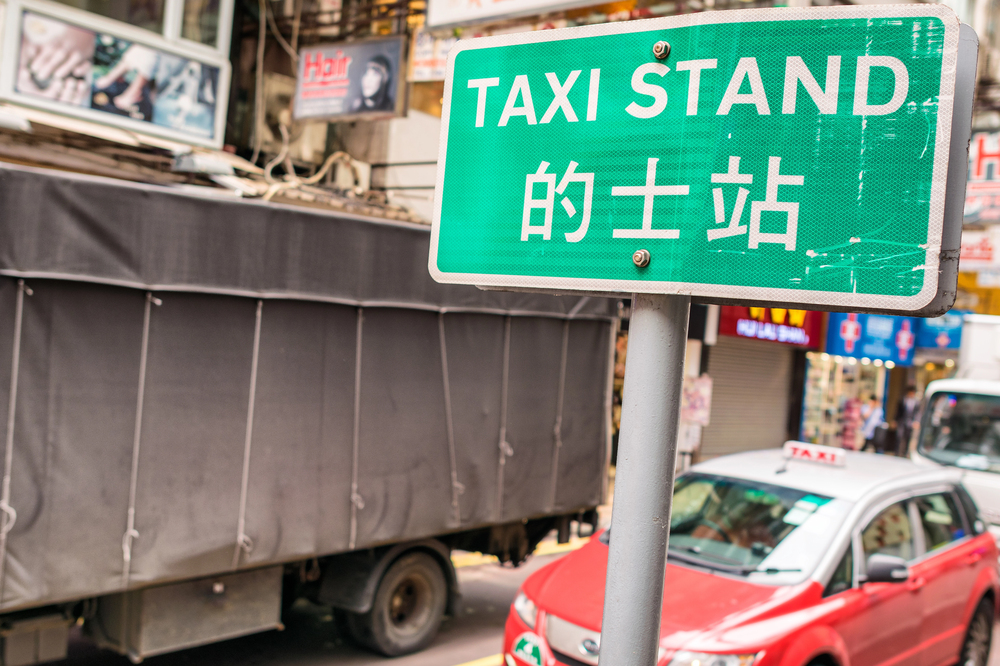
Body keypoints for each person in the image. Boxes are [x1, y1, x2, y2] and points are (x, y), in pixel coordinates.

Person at [894, 385, 920, 457]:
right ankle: (897, 452)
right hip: (902, 421)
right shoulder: (903, 400)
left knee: (908, 437)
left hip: (910, 422)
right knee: (899, 436)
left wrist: (916, 421)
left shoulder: (916, 402)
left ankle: (905, 452)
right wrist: (895, 420)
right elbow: (898, 411)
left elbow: (917, 413)